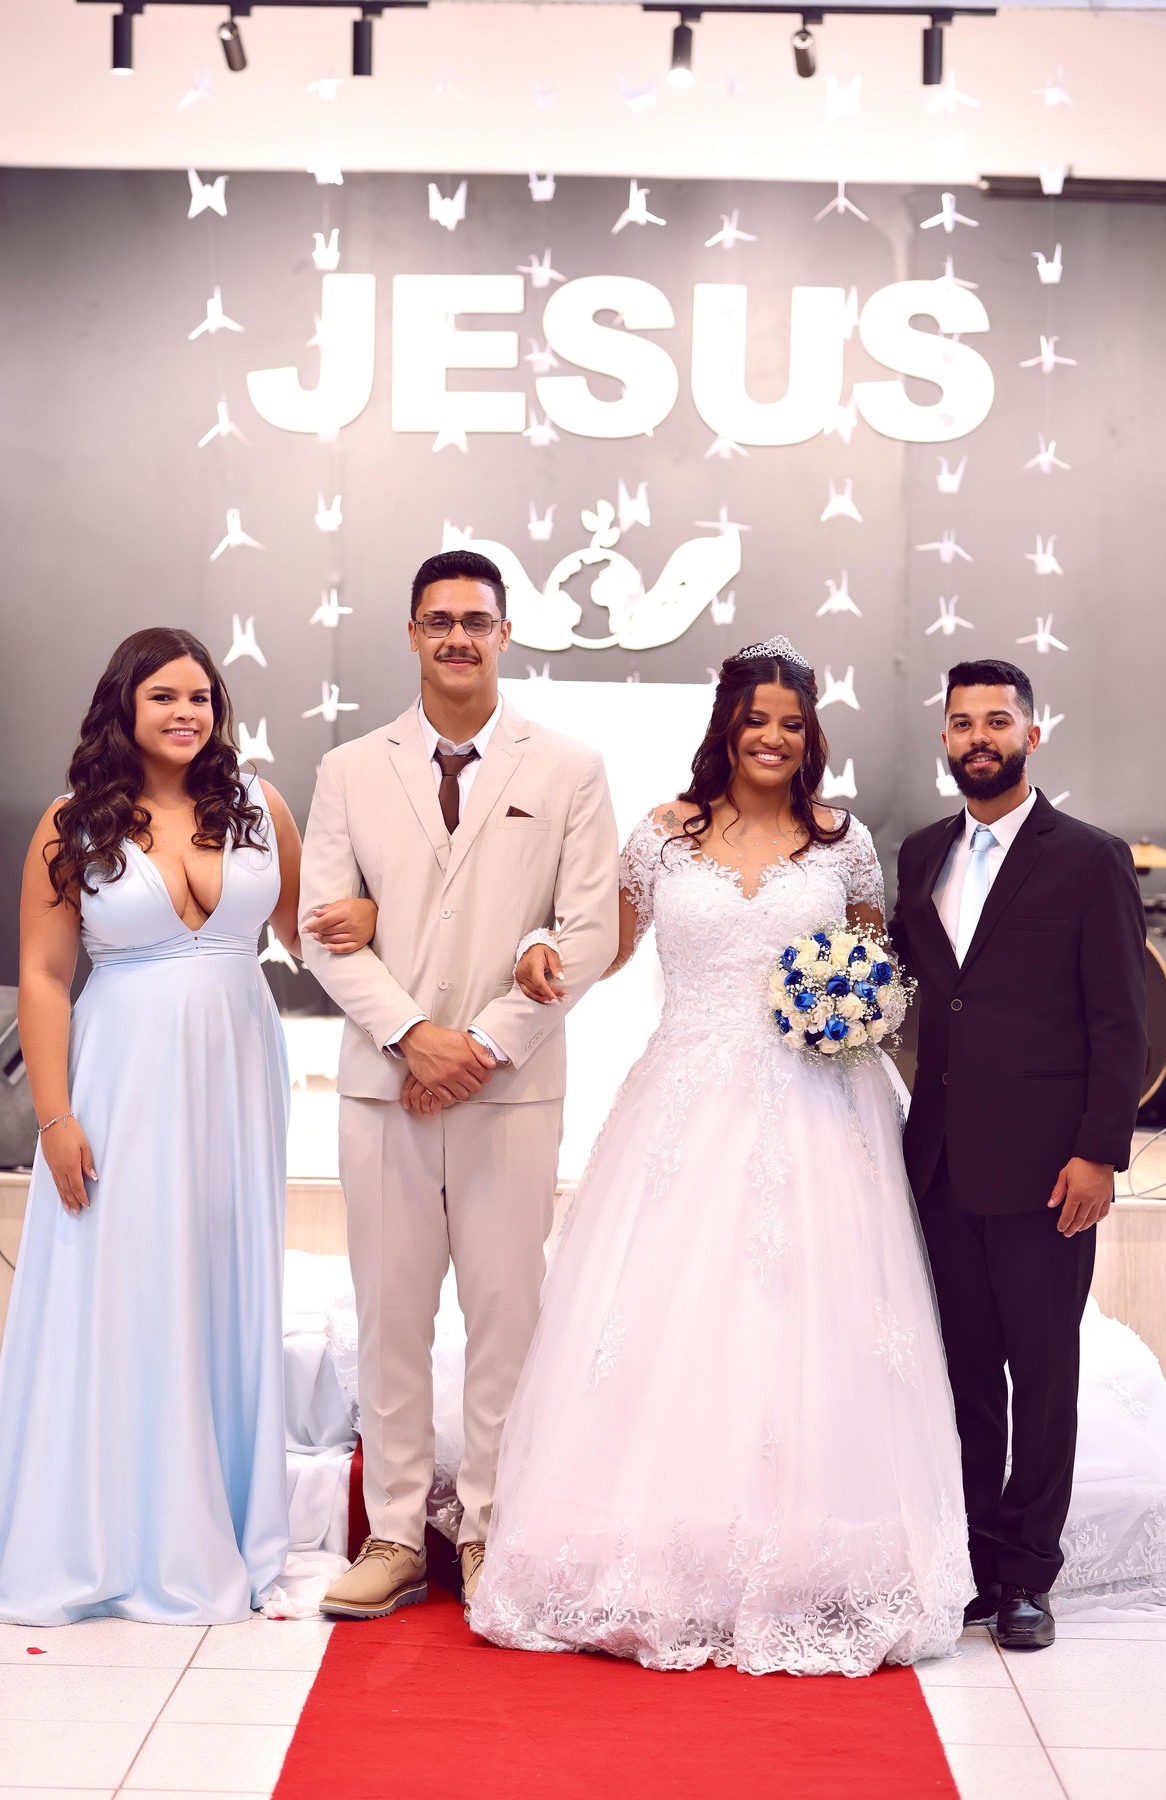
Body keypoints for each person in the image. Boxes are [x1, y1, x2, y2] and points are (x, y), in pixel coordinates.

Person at [468, 637, 974, 1677]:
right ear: (727, 729)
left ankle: (816, 1556)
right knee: (674, 1315)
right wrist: (538, 950)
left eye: (791, 724)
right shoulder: (664, 835)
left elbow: (875, 966)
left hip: (820, 1108)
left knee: (813, 1320)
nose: (773, 739)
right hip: (685, 1107)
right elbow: (606, 948)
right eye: (757, 722)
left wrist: (853, 1010)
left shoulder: (844, 844)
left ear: (810, 736)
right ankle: (665, 1552)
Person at [0, 627, 377, 1626]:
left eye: (200, 697)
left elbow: (306, 936)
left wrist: (369, 919)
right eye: (163, 696)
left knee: (219, 1281)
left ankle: (215, 1524)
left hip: (239, 1074)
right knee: (125, 1283)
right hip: (119, 1078)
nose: (185, 713)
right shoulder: (73, 824)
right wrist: (55, 1115)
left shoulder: (259, 807)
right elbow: (43, 975)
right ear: (122, 707)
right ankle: (109, 1535)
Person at [298, 549, 618, 1622]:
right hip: (383, 1087)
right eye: (438, 620)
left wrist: (477, 1044)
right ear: (411, 633)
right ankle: (395, 1533)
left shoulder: (567, 768)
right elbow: (323, 929)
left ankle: (490, 1529)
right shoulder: (351, 769)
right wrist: (412, 1037)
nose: (457, 638)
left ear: (505, 633)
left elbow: (588, 930)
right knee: (390, 1316)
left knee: (505, 1316)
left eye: (476, 621)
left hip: (508, 1091)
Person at [888, 658, 1147, 1651]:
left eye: (997, 721)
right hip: (941, 1163)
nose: (979, 738)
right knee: (964, 1376)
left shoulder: (1088, 858)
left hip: (1048, 1172)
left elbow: (1118, 1020)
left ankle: (1031, 1577)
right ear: (945, 739)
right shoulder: (921, 853)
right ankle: (974, 1564)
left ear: (1032, 735)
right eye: (963, 723)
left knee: (1040, 1376)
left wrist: (1100, 1153)